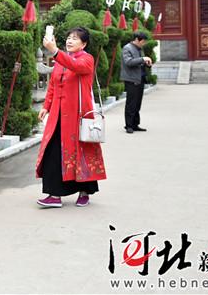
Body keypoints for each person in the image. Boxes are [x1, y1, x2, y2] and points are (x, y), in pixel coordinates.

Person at [36, 27, 107, 208]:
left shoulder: (87, 59)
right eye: (68, 37)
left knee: (82, 153)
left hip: (79, 116)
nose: (69, 41)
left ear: (84, 44)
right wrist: (46, 106)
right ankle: (54, 195)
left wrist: (54, 51)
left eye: (75, 38)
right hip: (58, 116)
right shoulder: (61, 60)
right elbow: (53, 85)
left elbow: (75, 66)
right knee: (53, 153)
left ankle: (84, 192)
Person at [120, 31, 152, 134]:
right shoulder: (127, 48)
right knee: (131, 103)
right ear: (137, 39)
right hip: (131, 79)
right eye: (143, 41)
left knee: (137, 103)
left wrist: (147, 63)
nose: (144, 43)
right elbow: (128, 62)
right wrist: (143, 59)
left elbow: (140, 62)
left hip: (140, 78)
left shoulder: (139, 48)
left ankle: (135, 124)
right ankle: (128, 125)